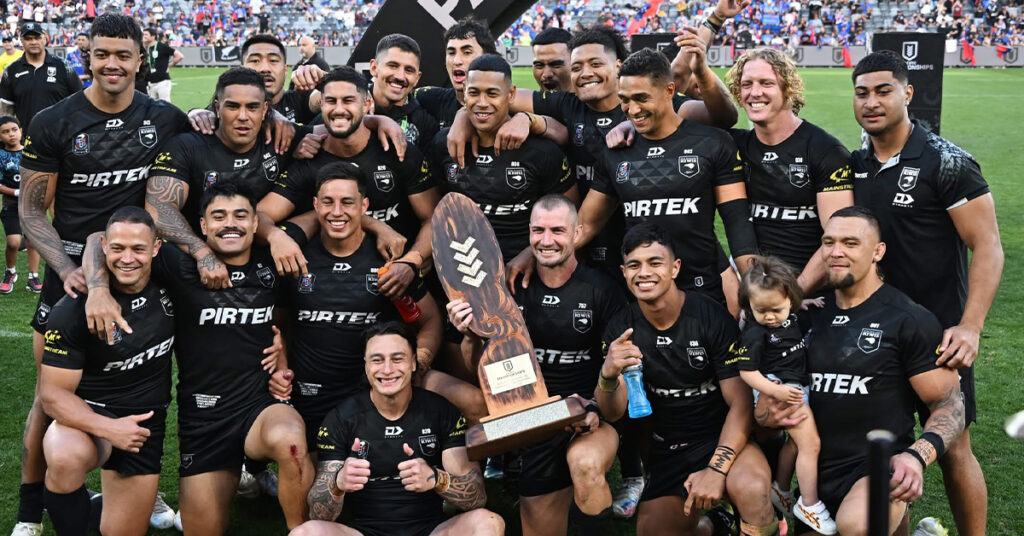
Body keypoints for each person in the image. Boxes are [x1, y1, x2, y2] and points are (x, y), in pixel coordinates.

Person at [16, 13, 189, 535]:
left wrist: (203, 118)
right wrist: (70, 270)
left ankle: (143, 486)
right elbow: (29, 211)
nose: (111, 64)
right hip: (70, 272)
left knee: (140, 379)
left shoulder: (166, 118)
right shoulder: (54, 122)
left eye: (123, 54)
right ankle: (29, 514)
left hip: (140, 266)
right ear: (87, 56)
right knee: (52, 394)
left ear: (141, 58)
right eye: (101, 54)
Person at [84, 181, 314, 534]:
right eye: (218, 216)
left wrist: (283, 237)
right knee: (200, 529)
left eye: (241, 215)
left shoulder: (272, 258)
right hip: (204, 420)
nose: (230, 223)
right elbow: (96, 241)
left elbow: (324, 215)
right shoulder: (178, 264)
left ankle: (302, 530)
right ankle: (242, 477)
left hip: (259, 408)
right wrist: (98, 289)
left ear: (256, 223)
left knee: (292, 441)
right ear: (202, 226)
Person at [850, 50, 1003, 536]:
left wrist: (971, 325)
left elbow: (988, 245)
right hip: (872, 334)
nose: (871, 102)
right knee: (876, 443)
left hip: (938, 335)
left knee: (955, 447)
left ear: (907, 93)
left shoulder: (947, 161)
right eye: (861, 93)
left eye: (883, 90)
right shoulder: (851, 166)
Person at [759, 206, 967, 536]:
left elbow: (951, 405)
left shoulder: (908, 319)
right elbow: (765, 405)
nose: (836, 252)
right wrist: (767, 414)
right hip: (817, 478)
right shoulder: (806, 317)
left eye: (850, 243)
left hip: (879, 468)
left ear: (877, 251)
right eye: (828, 242)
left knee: (857, 526)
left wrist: (916, 457)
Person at [446, 194, 626, 536]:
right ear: (528, 233)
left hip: (586, 416)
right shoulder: (507, 291)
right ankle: (505, 465)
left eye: (558, 230)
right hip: (534, 417)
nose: (546, 240)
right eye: (538, 230)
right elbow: (476, 369)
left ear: (577, 233)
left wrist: (592, 408)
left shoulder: (602, 292)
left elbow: (618, 394)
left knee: (584, 463)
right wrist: (470, 334)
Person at [596, 222, 779, 536]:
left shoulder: (709, 317)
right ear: (624, 272)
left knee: (753, 490)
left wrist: (715, 469)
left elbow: (740, 404)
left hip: (723, 439)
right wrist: (608, 375)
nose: (644, 273)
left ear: (675, 268)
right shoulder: (621, 328)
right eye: (634, 265)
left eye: (655, 263)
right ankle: (712, 526)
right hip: (667, 452)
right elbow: (612, 412)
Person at [271, 162, 465, 450]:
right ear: (315, 205)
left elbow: (430, 321)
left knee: (471, 401)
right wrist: (281, 367)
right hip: (312, 395)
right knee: (317, 488)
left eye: (347, 202)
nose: (337, 212)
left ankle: (476, 469)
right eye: (328, 202)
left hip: (379, 386)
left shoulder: (387, 263)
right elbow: (280, 325)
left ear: (364, 206)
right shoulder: (296, 257)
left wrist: (418, 364)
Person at [291, 321, 505, 536]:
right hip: (365, 532)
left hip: (431, 530)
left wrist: (436, 479)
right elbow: (319, 515)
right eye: (377, 360)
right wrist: (338, 483)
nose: (387, 369)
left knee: (489, 522)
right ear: (365, 365)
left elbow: (476, 497)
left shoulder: (441, 412)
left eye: (397, 358)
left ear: (413, 363)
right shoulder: (341, 419)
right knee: (304, 533)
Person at [581, 48, 759, 307]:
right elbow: (585, 225)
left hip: (705, 289)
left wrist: (756, 286)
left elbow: (737, 224)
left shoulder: (712, 143)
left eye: (641, 98)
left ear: (669, 91)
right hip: (643, 292)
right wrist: (538, 252)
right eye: (625, 99)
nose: (632, 109)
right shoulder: (615, 153)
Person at [39, 207, 173, 536]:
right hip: (90, 420)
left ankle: (98, 503)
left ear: (156, 248)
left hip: (143, 428)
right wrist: (107, 428)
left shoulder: (170, 283)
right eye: (118, 248)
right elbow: (52, 396)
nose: (128, 258)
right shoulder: (71, 312)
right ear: (104, 246)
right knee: (65, 456)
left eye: (138, 249)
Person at [260, 66, 438, 298]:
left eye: (348, 101)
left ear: (367, 104)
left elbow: (433, 217)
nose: (339, 109)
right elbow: (261, 215)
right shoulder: (308, 155)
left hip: (392, 278)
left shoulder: (397, 150)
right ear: (321, 104)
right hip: (327, 284)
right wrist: (276, 237)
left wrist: (411, 262)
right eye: (331, 101)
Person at [146, 66, 305, 289]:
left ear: (265, 109)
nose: (243, 116)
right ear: (217, 107)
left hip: (263, 267)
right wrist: (203, 254)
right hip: (198, 266)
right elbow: (159, 207)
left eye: (252, 107)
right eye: (232, 106)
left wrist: (373, 121)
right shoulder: (188, 146)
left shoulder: (282, 139)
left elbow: (337, 132)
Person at [724, 48, 853, 291]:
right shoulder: (735, 145)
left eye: (766, 83)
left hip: (811, 289)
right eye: (746, 84)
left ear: (788, 88)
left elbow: (839, 239)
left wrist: (792, 293)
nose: (755, 92)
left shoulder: (826, 151)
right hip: (757, 285)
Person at [433, 54, 576, 262]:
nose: (482, 103)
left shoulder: (543, 151)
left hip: (526, 273)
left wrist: (530, 256)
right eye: (474, 93)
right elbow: (434, 213)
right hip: (464, 271)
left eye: (492, 94)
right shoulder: (443, 143)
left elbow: (570, 216)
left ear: (511, 94)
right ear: (464, 94)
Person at [732, 256, 835, 535]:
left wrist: (805, 304)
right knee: (811, 444)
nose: (768, 317)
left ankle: (782, 489)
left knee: (797, 443)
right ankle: (810, 505)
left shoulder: (790, 314)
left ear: (790, 299)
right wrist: (775, 390)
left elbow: (791, 310)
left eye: (775, 309)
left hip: (796, 385)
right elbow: (748, 373)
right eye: (759, 310)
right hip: (778, 389)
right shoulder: (755, 333)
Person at [413, 17, 497, 129]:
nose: (456, 61)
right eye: (451, 53)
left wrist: (526, 117)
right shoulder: (431, 99)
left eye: (467, 52)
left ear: (487, 57)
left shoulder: (505, 104)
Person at [0, 23, 82, 132]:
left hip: (60, 137)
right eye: (28, 39)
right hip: (27, 138)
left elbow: (79, 101)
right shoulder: (11, 71)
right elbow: (7, 109)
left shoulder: (64, 66)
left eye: (37, 37)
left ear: (44, 39)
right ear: (21, 41)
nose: (33, 42)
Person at [0, 115, 40, 293]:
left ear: (21, 131)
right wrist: (16, 192)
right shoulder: (1, 156)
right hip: (11, 204)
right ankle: (10, 272)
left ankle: (33, 276)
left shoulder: (31, 152)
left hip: (32, 205)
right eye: (5, 132)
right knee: (14, 242)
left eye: (14, 130)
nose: (11, 135)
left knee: (33, 241)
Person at [142, 28, 182, 103]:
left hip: (162, 81)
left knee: (165, 105)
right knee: (153, 107)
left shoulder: (162, 46)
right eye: (143, 34)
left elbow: (179, 56)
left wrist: (170, 65)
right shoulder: (146, 49)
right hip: (150, 83)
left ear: (153, 36)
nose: (144, 36)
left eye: (146, 34)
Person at [531, 27, 572, 92]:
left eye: (556, 65)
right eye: (539, 65)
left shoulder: (590, 101)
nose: (546, 74)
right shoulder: (528, 101)